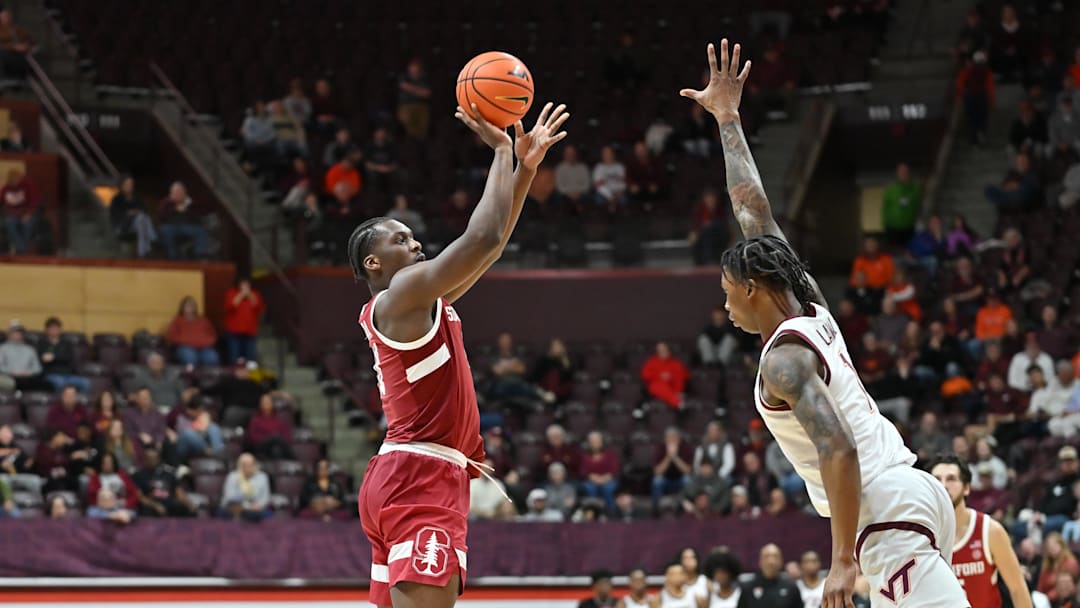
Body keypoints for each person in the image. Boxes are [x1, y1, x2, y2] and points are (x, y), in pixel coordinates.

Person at [681, 39, 968, 608]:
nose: (725, 308)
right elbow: (754, 210)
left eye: (727, 294)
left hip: (883, 513)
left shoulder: (783, 362)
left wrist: (841, 564)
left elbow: (837, 447)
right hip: (916, 493)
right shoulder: (810, 304)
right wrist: (729, 119)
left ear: (752, 287)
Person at [351, 101, 567, 608]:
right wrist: (501, 150)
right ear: (374, 262)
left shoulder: (418, 303)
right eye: (401, 239)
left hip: (408, 474)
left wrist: (524, 170)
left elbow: (488, 249)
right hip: (420, 477)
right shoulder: (400, 295)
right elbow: (482, 235)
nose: (417, 242)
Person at [928, 454, 1032, 608]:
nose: (943, 485)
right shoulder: (921, 534)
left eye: (951, 479)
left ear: (967, 488)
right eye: (937, 480)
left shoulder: (990, 530)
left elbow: (1017, 588)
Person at [132, 446, 194, 517]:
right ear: (145, 459)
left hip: (169, 502)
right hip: (151, 503)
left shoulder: (169, 474)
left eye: (154, 458)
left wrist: (188, 503)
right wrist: (156, 506)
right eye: (149, 458)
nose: (152, 461)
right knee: (147, 510)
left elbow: (179, 493)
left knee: (185, 509)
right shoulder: (138, 475)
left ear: (159, 459)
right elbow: (140, 497)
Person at [733, 544, 801, 608]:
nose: (771, 561)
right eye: (766, 556)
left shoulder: (791, 587)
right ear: (760, 561)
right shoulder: (748, 588)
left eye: (775, 557)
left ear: (781, 561)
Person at [109, 175, 157, 258]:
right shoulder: (116, 199)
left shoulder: (137, 197)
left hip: (138, 224)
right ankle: (151, 239)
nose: (130, 186)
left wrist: (137, 212)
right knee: (142, 220)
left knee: (141, 219)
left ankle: (142, 251)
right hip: (124, 226)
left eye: (131, 184)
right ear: (122, 185)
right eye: (127, 184)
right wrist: (128, 213)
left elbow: (144, 209)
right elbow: (115, 215)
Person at [158, 182, 209, 260]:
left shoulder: (191, 203)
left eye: (180, 192)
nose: (178, 194)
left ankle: (200, 255)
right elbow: (161, 216)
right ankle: (172, 257)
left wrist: (187, 209)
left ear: (184, 193)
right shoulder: (166, 202)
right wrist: (175, 209)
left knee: (201, 230)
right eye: (175, 192)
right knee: (165, 230)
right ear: (171, 193)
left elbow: (199, 216)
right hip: (171, 226)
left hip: (187, 226)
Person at [38, 317, 90, 393]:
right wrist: (56, 357)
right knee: (60, 383)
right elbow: (40, 359)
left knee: (86, 383)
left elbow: (67, 357)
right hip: (51, 375)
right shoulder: (41, 344)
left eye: (56, 328)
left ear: (60, 329)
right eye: (51, 328)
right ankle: (60, 404)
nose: (54, 330)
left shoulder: (66, 344)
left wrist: (53, 357)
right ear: (46, 330)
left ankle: (78, 403)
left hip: (68, 374)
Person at [166, 296, 219, 366]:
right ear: (182, 308)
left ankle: (209, 376)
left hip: (204, 348)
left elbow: (213, 336)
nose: (189, 307)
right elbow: (172, 336)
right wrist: (189, 341)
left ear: (195, 307)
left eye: (191, 305)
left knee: (212, 357)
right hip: (185, 348)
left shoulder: (204, 321)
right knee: (190, 357)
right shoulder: (177, 321)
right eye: (187, 305)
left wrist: (205, 342)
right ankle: (191, 376)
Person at [0, 321, 51, 391]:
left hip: (28, 377)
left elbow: (37, 368)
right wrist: (14, 372)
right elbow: (1, 367)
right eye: (14, 333)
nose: (17, 335)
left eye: (19, 333)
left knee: (47, 384)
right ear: (9, 334)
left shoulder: (30, 349)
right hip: (9, 376)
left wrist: (29, 372)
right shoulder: (2, 348)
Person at [220, 452, 272, 522]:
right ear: (240, 465)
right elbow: (230, 496)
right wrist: (247, 506)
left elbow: (265, 497)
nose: (248, 468)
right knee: (223, 512)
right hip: (236, 507)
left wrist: (259, 506)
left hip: (256, 508)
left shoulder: (262, 477)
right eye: (245, 465)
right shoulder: (232, 476)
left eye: (251, 465)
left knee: (267, 514)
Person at [224, 278, 264, 363]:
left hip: (250, 331)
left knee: (251, 357)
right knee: (234, 356)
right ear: (239, 285)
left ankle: (251, 374)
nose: (245, 287)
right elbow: (231, 306)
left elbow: (258, 308)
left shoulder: (255, 294)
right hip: (234, 331)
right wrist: (241, 295)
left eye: (247, 285)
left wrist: (250, 296)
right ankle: (235, 374)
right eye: (243, 285)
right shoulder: (232, 293)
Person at [881, 163, 922, 248]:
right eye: (900, 172)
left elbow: (918, 206)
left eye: (905, 172)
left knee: (910, 252)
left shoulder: (915, 189)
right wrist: (885, 223)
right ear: (897, 174)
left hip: (909, 227)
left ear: (909, 173)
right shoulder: (891, 189)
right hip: (892, 228)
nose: (902, 174)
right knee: (894, 253)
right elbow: (885, 207)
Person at [641, 342, 690, 409]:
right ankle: (677, 402)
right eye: (660, 351)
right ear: (657, 352)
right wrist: (660, 376)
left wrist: (671, 376)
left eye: (665, 350)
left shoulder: (676, 363)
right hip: (659, 387)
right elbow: (645, 375)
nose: (663, 352)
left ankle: (676, 399)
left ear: (669, 351)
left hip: (673, 387)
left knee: (676, 382)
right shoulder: (651, 362)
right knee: (657, 385)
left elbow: (685, 375)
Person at [1, 168, 39, 255]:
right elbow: (2, 201)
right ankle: (21, 249)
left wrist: (28, 214)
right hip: (12, 215)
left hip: (27, 213)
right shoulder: (5, 189)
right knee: (9, 222)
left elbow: (34, 201)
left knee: (27, 224)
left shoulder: (28, 186)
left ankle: (21, 250)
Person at [652, 427, 692, 502]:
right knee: (657, 481)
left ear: (679, 439)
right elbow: (657, 472)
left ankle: (687, 507)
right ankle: (657, 507)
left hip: (680, 478)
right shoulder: (660, 448)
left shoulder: (685, 448)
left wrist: (675, 457)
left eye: (674, 438)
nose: (672, 441)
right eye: (669, 438)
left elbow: (687, 471)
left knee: (688, 480)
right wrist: (668, 457)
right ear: (665, 439)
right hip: (665, 478)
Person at [397, 58, 432, 140]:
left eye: (416, 67)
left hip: (421, 106)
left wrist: (409, 88)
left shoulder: (424, 78)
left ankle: (420, 141)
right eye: (412, 67)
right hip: (406, 105)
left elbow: (427, 93)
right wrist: (418, 90)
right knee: (406, 119)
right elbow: (402, 85)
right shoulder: (404, 77)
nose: (414, 69)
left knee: (423, 123)